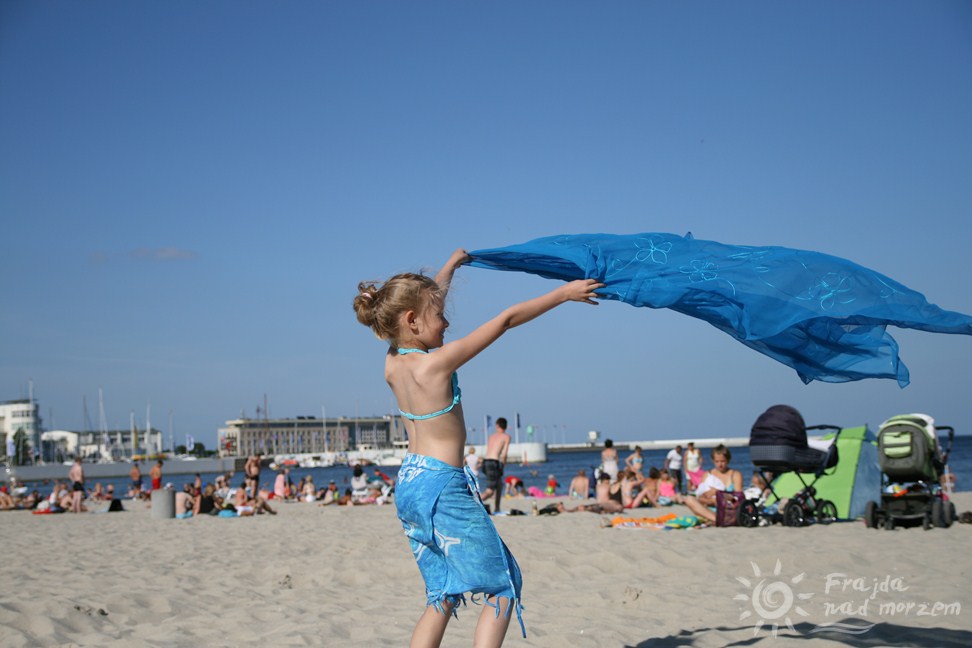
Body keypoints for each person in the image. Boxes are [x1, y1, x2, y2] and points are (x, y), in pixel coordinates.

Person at [354, 247, 602, 646]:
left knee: (443, 593)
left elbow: (419, 309)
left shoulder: (392, 363)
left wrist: (450, 266)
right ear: (412, 320)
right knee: (504, 585)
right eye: (440, 315)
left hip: (410, 484)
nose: (447, 320)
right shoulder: (438, 364)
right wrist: (563, 294)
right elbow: (504, 320)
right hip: (442, 485)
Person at [683, 444, 744, 524]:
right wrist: (711, 501)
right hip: (710, 510)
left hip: (728, 510)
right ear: (713, 461)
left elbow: (738, 499)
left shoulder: (735, 475)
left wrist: (718, 494)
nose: (720, 464)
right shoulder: (708, 474)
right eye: (717, 461)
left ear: (728, 460)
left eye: (722, 461)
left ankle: (717, 520)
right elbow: (700, 497)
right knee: (689, 499)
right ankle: (716, 520)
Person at [481, 417, 511, 514]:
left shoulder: (491, 436)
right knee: (490, 491)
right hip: (494, 462)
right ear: (506, 426)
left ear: (497, 425)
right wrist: (504, 463)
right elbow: (505, 453)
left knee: (499, 484)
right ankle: (472, 504)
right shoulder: (506, 437)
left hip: (486, 462)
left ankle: (497, 508)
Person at [557, 473, 624, 514]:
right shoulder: (609, 486)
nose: (609, 481)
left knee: (586, 506)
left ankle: (567, 510)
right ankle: (570, 510)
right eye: (608, 479)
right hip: (604, 504)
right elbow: (615, 489)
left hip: (598, 503)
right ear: (605, 480)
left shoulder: (598, 486)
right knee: (590, 508)